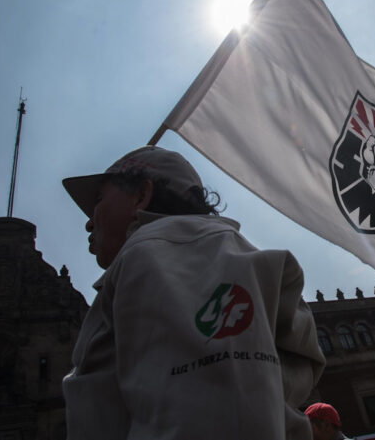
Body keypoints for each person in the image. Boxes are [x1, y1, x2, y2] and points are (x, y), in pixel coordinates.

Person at [61, 146, 326, 440]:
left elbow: (210, 414)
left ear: (141, 196)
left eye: (98, 200)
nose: (89, 220)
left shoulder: (163, 253)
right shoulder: (179, 255)